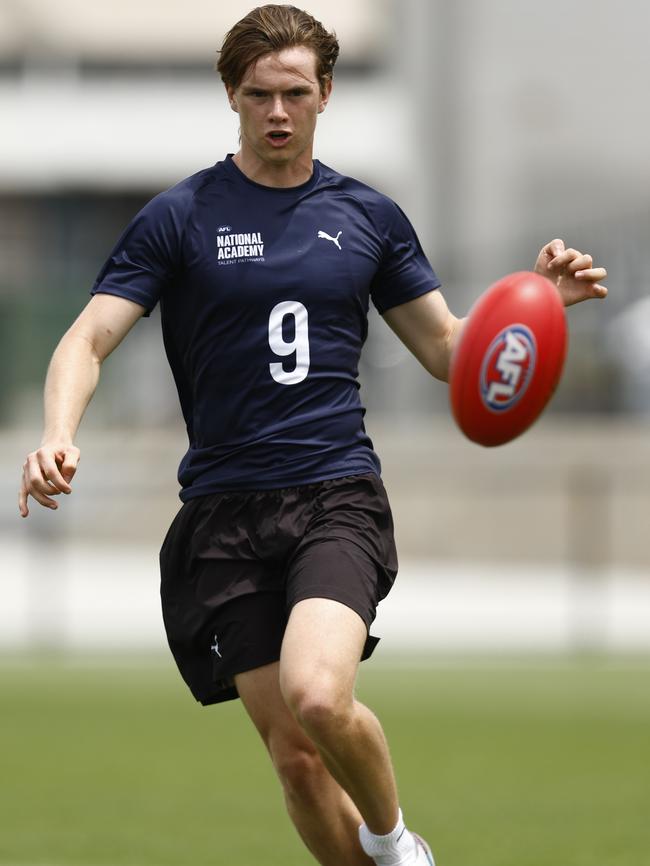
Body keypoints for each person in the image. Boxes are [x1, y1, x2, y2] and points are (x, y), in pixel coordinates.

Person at [18, 5, 608, 865]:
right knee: (295, 759)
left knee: (319, 697)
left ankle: (398, 845)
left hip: (336, 493)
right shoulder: (179, 216)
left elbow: (448, 348)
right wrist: (56, 432)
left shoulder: (369, 216)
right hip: (222, 514)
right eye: (260, 94)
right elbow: (87, 338)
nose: (278, 112)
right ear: (232, 94)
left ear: (326, 92)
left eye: (296, 92)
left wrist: (538, 307)